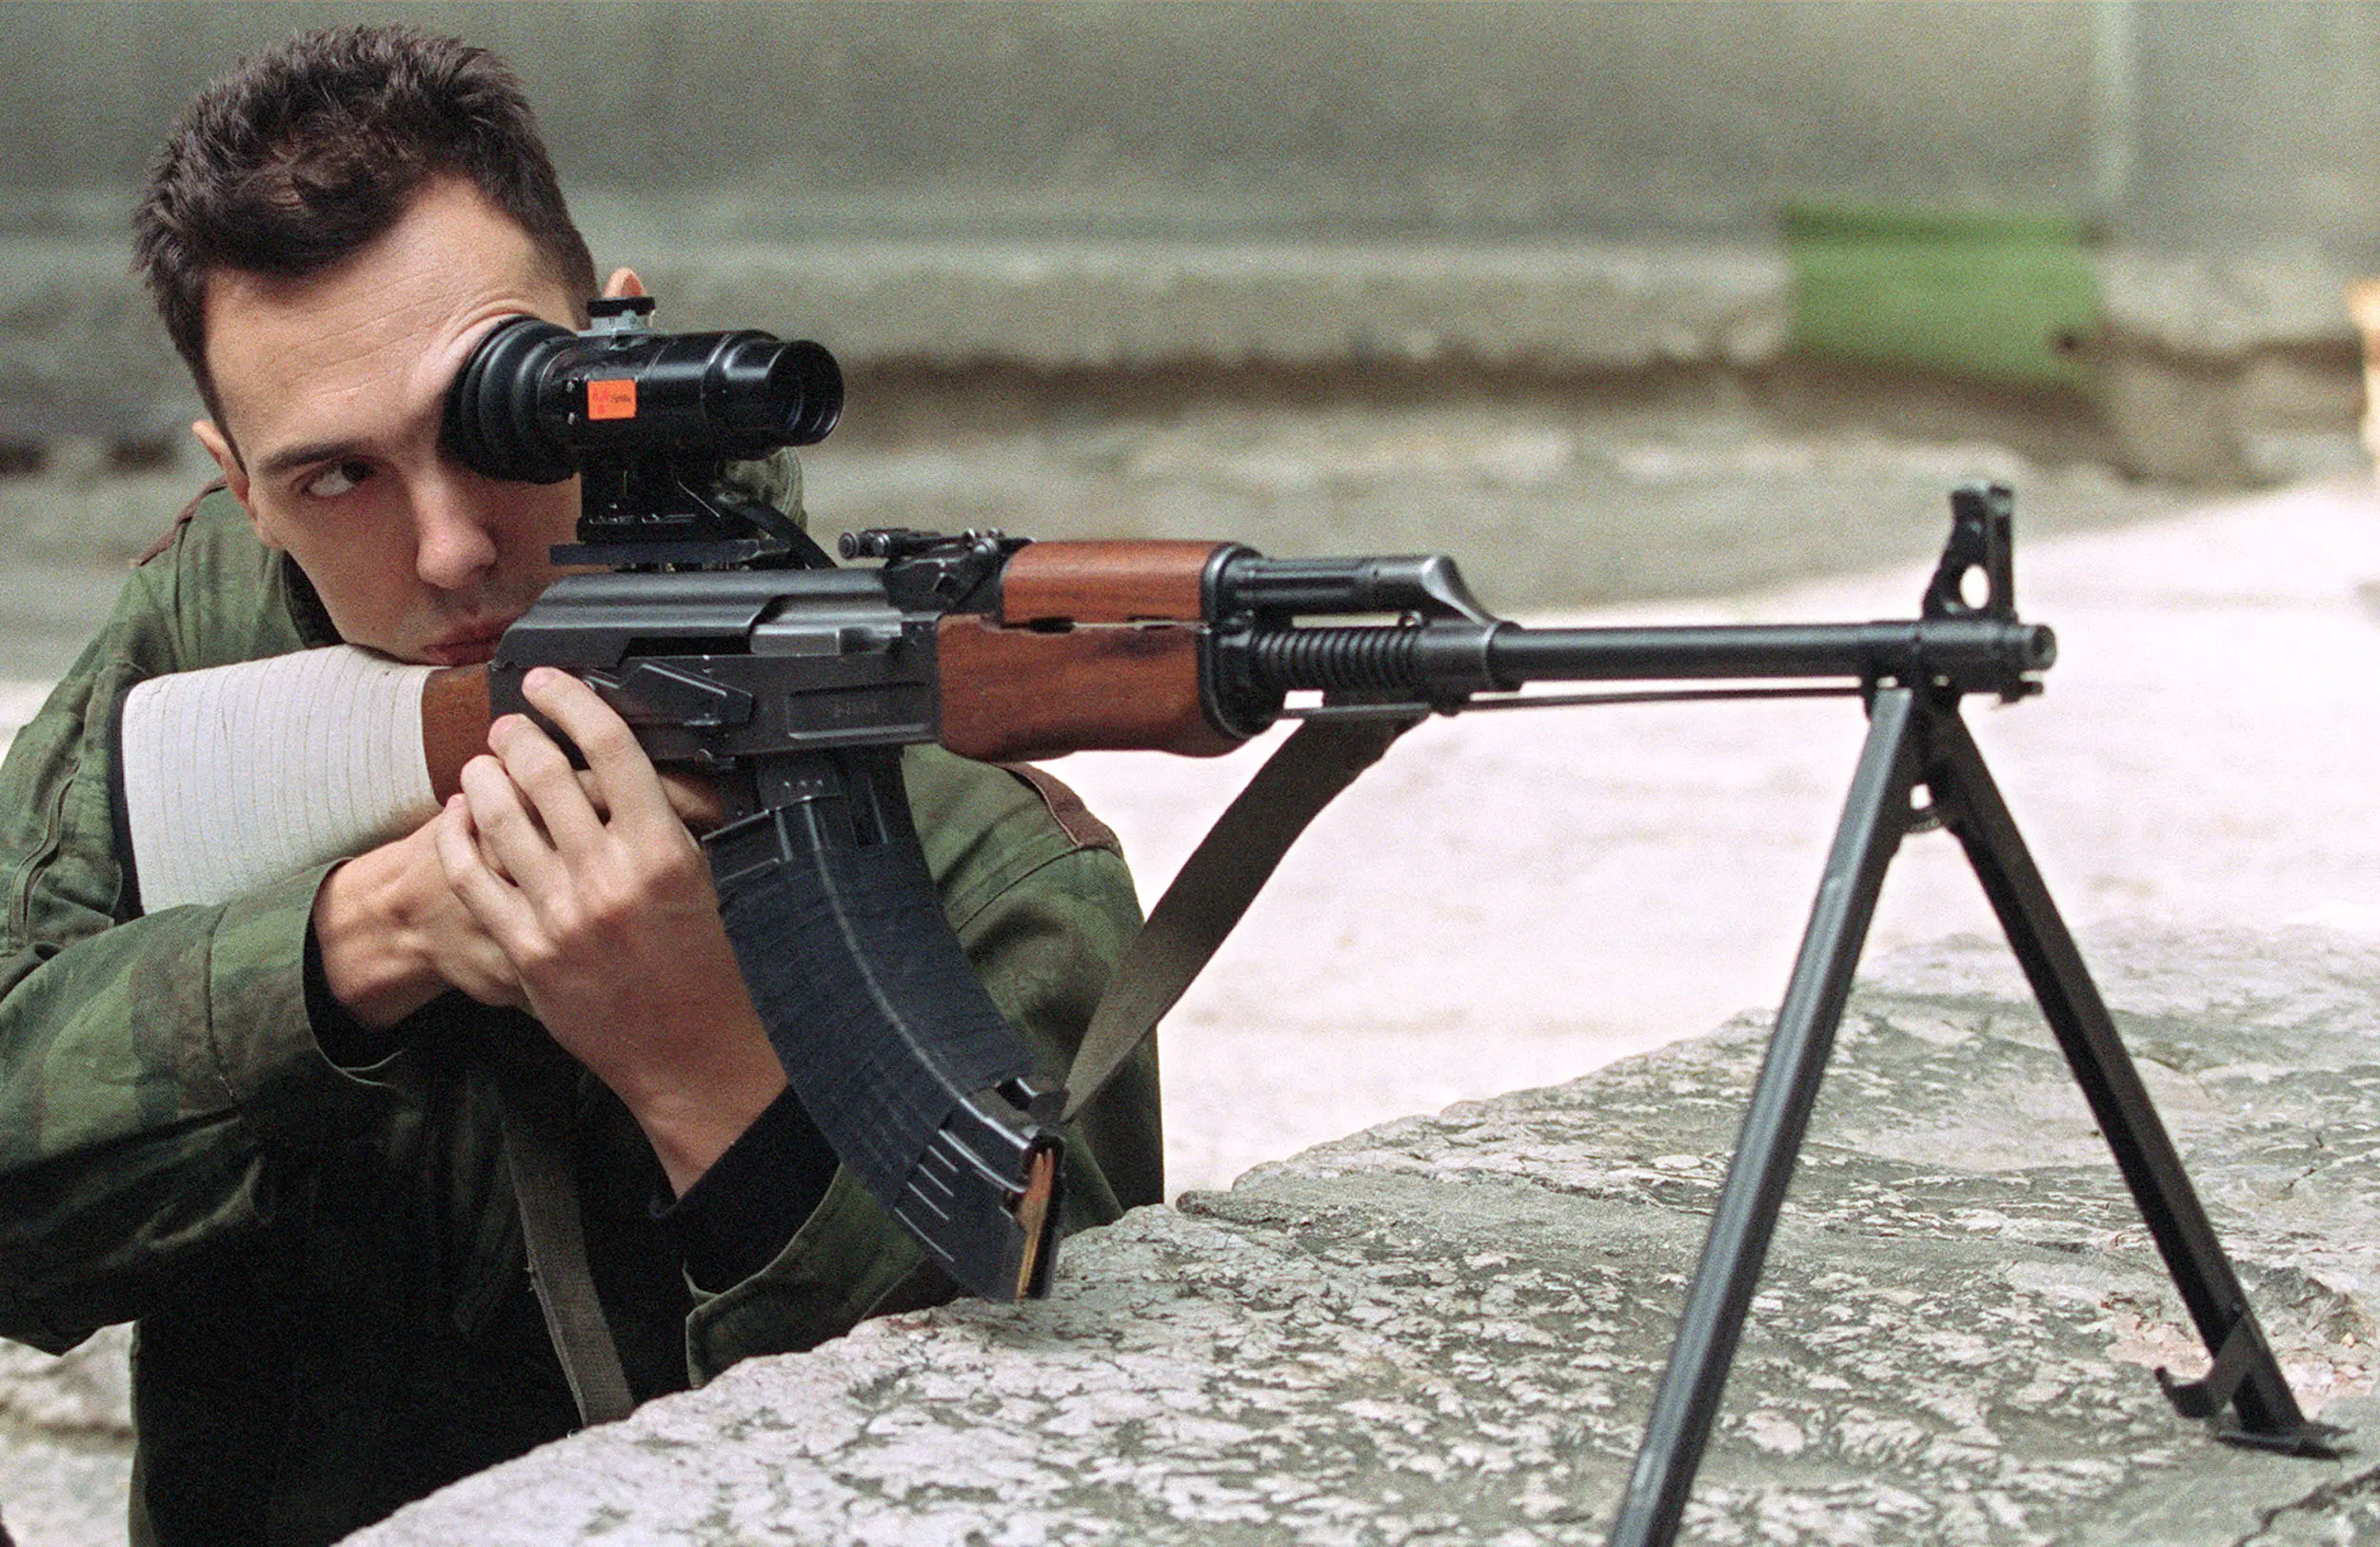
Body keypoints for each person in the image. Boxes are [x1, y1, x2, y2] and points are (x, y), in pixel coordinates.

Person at [0, 24, 1159, 1546]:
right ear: (239, 486)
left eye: (494, 420)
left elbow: (1051, 1469)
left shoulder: (979, 862)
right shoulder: (204, 658)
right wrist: (367, 940)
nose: (449, 550)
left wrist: (711, 1082)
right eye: (333, 478)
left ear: (614, 346)